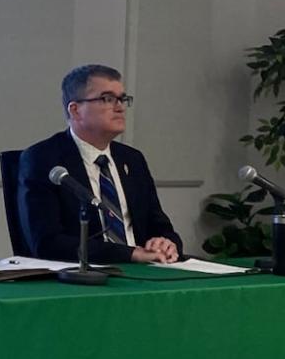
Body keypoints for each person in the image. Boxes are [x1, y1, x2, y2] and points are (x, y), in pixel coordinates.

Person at [17, 64, 182, 264]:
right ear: (75, 110)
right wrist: (129, 254)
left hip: (146, 271)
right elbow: (47, 243)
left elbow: (160, 226)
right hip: (83, 277)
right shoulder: (43, 159)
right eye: (107, 99)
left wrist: (166, 243)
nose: (119, 107)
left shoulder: (132, 159)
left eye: (122, 99)